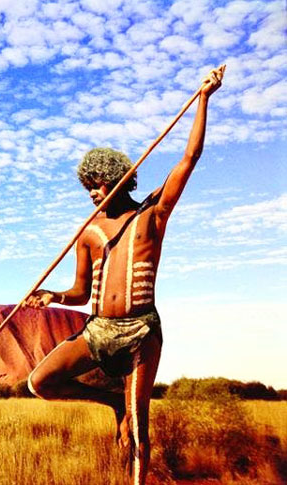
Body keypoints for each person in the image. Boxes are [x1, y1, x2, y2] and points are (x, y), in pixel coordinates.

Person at [24, 67, 223, 485]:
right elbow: (80, 293)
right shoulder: (89, 233)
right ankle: (113, 402)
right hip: (97, 329)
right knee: (39, 381)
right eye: (88, 188)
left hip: (140, 332)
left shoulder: (153, 214)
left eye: (97, 185)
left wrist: (203, 98)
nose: (93, 194)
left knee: (138, 430)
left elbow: (189, 159)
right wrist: (52, 295)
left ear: (117, 178)